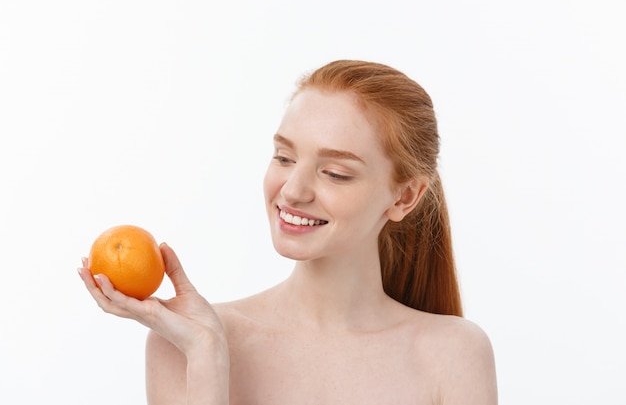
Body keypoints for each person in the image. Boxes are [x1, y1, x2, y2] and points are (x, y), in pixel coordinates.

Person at [78, 59, 498, 404]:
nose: (292, 191)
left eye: (335, 173)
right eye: (283, 157)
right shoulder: (184, 344)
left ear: (404, 198)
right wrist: (208, 358)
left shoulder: (454, 355)